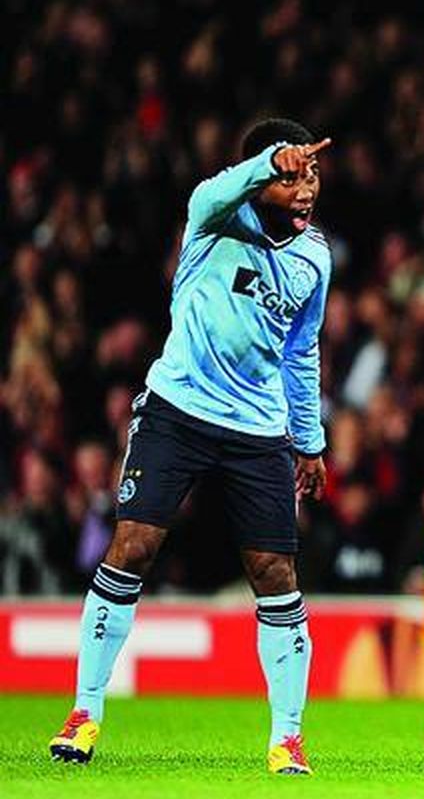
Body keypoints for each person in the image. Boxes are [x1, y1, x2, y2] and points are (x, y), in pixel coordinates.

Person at [47, 118, 332, 775]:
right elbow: (217, 190)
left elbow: (301, 349)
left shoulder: (315, 255)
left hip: (258, 429)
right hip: (179, 409)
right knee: (134, 547)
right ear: (264, 177)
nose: (306, 188)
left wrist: (308, 440)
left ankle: (287, 737)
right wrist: (269, 163)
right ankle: (85, 711)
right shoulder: (214, 221)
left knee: (274, 573)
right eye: (294, 176)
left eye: (313, 175)